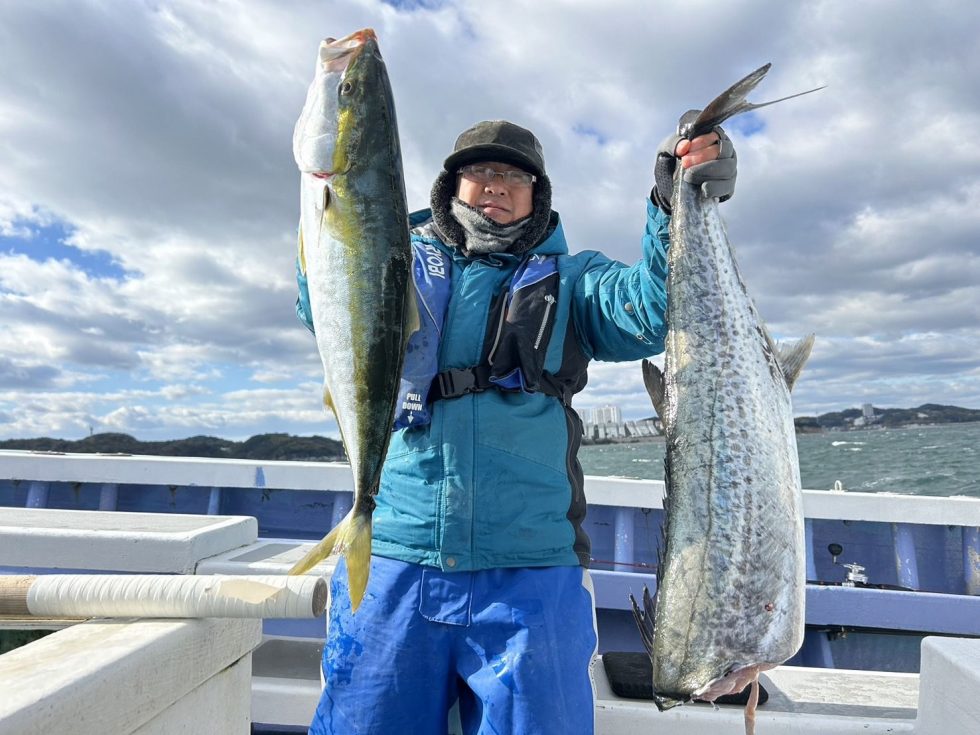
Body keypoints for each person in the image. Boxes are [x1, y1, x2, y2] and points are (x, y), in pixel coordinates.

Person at [295, 118, 736, 734]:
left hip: (531, 573)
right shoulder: (391, 260)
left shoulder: (575, 280)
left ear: (539, 194)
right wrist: (338, 206)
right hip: (395, 555)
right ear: (451, 186)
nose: (496, 185)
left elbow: (652, 307)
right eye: (481, 171)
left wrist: (673, 205)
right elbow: (319, 298)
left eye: (515, 175)